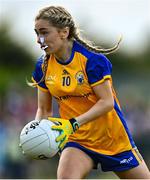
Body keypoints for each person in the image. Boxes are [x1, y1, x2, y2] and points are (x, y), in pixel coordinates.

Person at [29, 5, 150, 179]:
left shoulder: (92, 61)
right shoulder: (43, 66)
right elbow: (44, 110)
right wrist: (38, 136)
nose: (39, 40)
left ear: (64, 32)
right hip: (77, 141)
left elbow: (107, 102)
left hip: (113, 140)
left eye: (44, 32)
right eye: (36, 33)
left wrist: (73, 123)